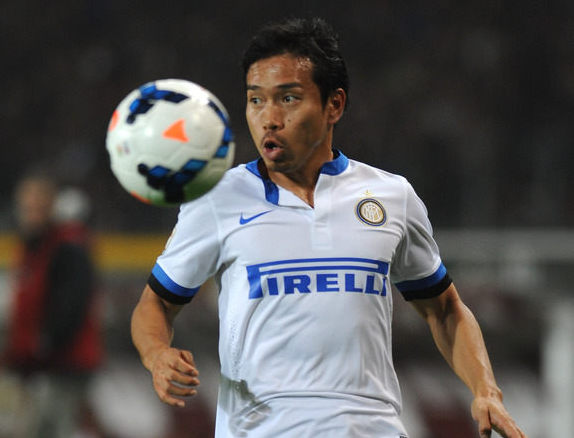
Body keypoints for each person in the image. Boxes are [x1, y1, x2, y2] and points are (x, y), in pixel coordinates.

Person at [131, 17, 526, 438]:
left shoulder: (391, 196)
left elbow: (444, 309)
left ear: (333, 105)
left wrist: (486, 390)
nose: (269, 118)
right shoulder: (217, 199)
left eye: (288, 98)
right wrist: (157, 355)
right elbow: (154, 305)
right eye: (256, 100)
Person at [3, 173, 103, 438]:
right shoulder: (32, 245)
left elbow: (71, 305)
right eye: (27, 207)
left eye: (39, 206)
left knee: (48, 430)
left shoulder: (67, 246)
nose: (31, 213)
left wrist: (43, 346)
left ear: (52, 207)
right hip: (39, 363)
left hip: (62, 363)